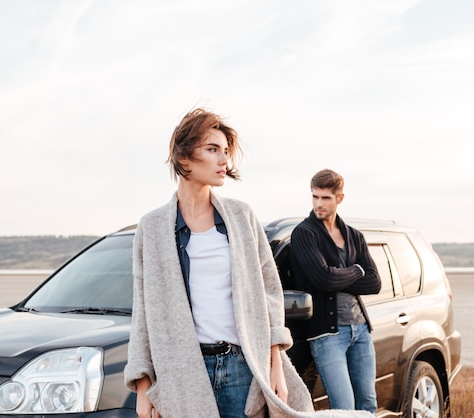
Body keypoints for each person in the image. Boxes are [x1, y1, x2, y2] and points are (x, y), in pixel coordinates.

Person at [123, 109, 373, 418]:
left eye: (225, 152)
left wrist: (276, 367)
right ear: (183, 157)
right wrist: (144, 387)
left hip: (243, 367)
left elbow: (270, 293)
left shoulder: (241, 217)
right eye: (212, 149)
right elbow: (143, 313)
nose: (223, 161)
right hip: (182, 372)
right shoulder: (152, 227)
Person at [290, 169, 381, 414]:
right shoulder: (304, 233)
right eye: (315, 197)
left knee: (367, 403)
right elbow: (323, 279)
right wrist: (357, 270)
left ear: (339, 198)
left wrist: (337, 274)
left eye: (325, 198)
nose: (319, 203)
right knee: (343, 408)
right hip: (327, 334)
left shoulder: (354, 236)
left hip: (360, 329)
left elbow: (374, 283)